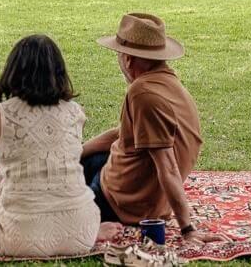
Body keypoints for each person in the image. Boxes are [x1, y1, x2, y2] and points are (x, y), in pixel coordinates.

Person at [0, 34, 122, 257]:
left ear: (13, 70)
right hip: (82, 233)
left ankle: (28, 225)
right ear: (59, 73)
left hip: (19, 239)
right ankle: (71, 230)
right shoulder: (75, 112)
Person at [81, 13, 225, 245]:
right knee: (81, 160)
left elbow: (167, 167)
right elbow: (124, 134)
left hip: (121, 202)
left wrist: (187, 229)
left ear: (127, 58)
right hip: (142, 191)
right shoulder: (167, 83)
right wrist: (79, 150)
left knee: (55, 196)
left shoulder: (143, 94)